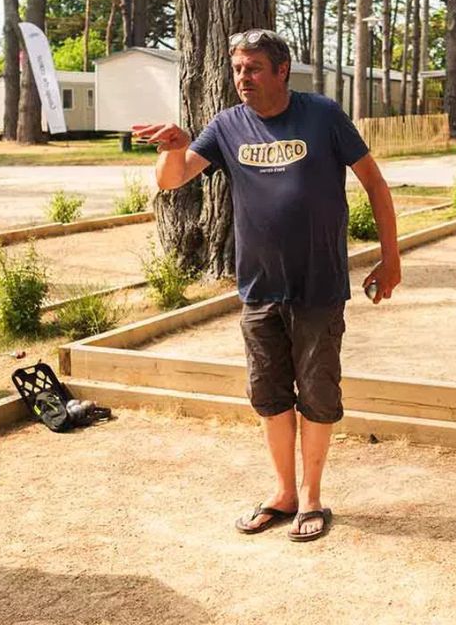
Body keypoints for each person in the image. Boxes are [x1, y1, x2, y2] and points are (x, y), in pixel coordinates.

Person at [133, 28, 401, 543]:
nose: (243, 78)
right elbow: (172, 179)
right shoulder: (227, 125)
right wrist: (175, 146)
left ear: (282, 70)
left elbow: (375, 183)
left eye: (253, 68)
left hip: (318, 285)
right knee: (269, 394)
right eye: (238, 69)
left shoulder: (322, 115)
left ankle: (313, 497)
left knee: (317, 393)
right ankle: (284, 494)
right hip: (258, 288)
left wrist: (391, 259)